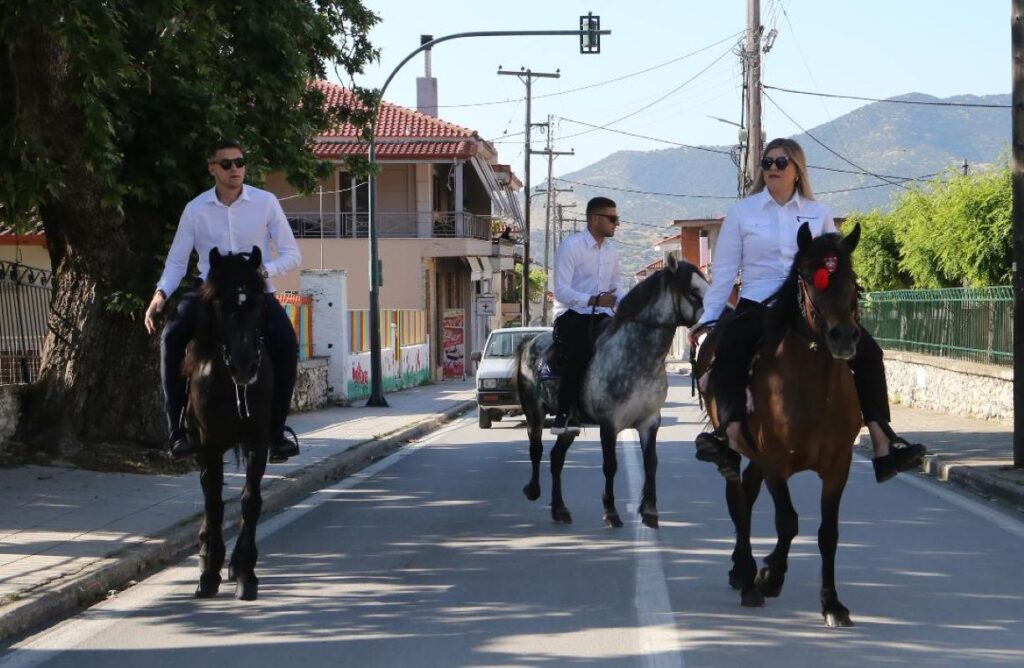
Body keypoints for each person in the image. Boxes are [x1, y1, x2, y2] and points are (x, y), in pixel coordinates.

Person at [688, 138, 926, 482]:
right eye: (766, 163)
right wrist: (709, 320)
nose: (771, 169)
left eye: (780, 163)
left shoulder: (818, 213)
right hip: (760, 303)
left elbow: (835, 264)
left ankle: (883, 445)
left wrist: (840, 306)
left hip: (810, 305)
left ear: (797, 169)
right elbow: (724, 274)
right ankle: (727, 435)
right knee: (729, 351)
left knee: (870, 352)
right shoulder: (742, 212)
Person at [144, 139, 302, 463]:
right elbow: (176, 262)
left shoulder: (266, 202)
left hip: (255, 291)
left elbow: (291, 254)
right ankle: (177, 430)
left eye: (240, 162)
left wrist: (263, 270)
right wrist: (160, 295)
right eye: (226, 163)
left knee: (287, 341)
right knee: (172, 335)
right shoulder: (195, 209)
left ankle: (277, 433)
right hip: (211, 291)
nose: (235, 169)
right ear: (212, 168)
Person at [550, 196, 624, 435]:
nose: (616, 224)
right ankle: (563, 414)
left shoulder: (611, 252)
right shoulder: (571, 246)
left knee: (626, 346)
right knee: (581, 352)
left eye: (617, 219)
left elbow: (616, 288)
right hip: (571, 313)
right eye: (612, 219)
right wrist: (592, 300)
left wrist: (630, 304)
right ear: (594, 219)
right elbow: (561, 290)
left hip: (602, 314)